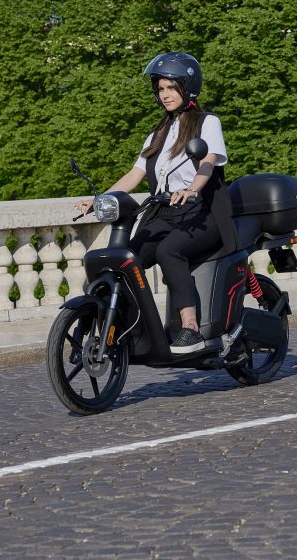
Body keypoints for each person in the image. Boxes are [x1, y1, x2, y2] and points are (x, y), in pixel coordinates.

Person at [76, 52, 237, 355]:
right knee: (125, 259)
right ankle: (126, 327)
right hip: (163, 213)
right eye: (160, 89)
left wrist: (192, 188)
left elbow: (208, 160)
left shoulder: (207, 123)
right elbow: (135, 174)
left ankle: (190, 328)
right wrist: (100, 199)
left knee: (168, 250)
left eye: (170, 88)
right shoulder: (157, 133)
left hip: (202, 213)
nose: (164, 95)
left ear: (187, 88)